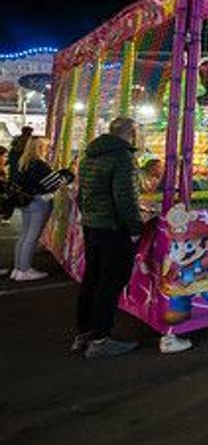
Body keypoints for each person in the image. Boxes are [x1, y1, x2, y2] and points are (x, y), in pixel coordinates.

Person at [74, 118, 144, 358]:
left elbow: (80, 195)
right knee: (110, 282)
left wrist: (90, 217)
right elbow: (125, 197)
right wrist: (135, 227)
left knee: (92, 279)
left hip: (92, 226)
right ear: (131, 133)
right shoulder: (122, 157)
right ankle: (101, 338)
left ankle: (84, 332)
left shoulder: (90, 156)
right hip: (114, 229)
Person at [10, 137, 74, 281]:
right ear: (40, 148)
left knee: (24, 236)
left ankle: (18, 268)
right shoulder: (39, 164)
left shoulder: (24, 162)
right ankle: (24, 270)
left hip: (27, 202)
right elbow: (55, 183)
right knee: (31, 238)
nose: (49, 149)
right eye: (47, 147)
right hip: (38, 203)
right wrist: (69, 174)